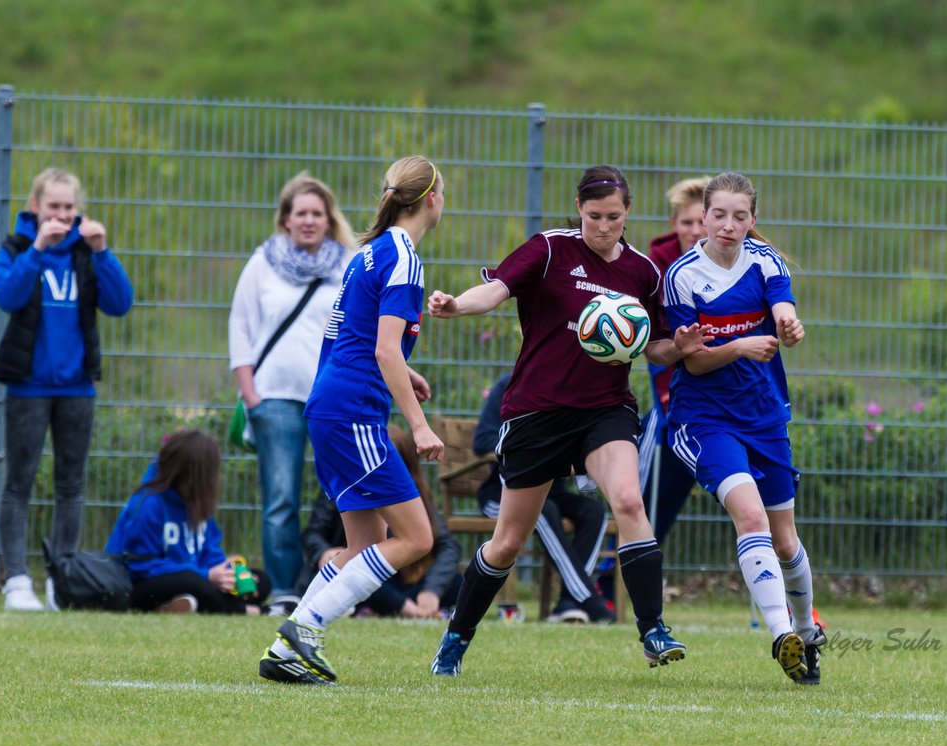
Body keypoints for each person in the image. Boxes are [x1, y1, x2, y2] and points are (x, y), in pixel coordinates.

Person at [426, 164, 709, 676]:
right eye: (594, 216)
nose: (603, 226)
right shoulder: (550, 248)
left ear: (628, 214)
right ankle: (456, 637)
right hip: (538, 412)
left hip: (605, 410)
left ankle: (652, 629)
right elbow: (495, 290)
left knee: (627, 498)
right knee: (508, 541)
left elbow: (658, 348)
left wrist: (680, 347)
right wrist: (456, 305)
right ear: (578, 209)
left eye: (614, 217)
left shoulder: (643, 272)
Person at [260, 155, 445, 686]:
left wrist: (400, 374)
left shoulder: (368, 253)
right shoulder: (404, 259)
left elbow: (349, 338)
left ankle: (286, 645)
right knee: (416, 538)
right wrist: (420, 425)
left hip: (332, 403)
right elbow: (385, 349)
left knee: (365, 545)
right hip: (353, 412)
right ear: (433, 199)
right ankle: (307, 626)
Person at [662, 171, 825, 684]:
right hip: (705, 419)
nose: (728, 225)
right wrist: (736, 346)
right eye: (718, 215)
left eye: (739, 216)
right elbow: (691, 363)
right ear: (703, 218)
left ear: (753, 220)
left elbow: (782, 310)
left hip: (764, 416)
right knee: (749, 515)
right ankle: (781, 635)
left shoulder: (765, 261)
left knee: (785, 540)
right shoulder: (682, 276)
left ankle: (805, 633)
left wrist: (789, 326)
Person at [0, 167, 134, 610]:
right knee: (19, 483)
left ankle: (62, 578)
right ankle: (16, 580)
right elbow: (6, 296)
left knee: (71, 485)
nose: (63, 215)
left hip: (77, 389)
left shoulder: (87, 252)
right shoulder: (17, 247)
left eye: (70, 207)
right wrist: (37, 249)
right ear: (36, 208)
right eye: (54, 207)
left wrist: (103, 251)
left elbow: (120, 303)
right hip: (28, 388)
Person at [229, 173, 355, 613]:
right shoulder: (262, 262)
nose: (308, 220)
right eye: (300, 212)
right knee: (280, 498)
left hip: (331, 399)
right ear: (285, 219)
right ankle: (284, 591)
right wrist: (250, 395)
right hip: (275, 398)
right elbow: (240, 325)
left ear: (328, 219)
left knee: (341, 495)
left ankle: (334, 587)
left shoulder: (346, 265)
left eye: (316, 213)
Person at [475, 373, 611, 623]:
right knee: (541, 510)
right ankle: (589, 599)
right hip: (500, 495)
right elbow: (482, 441)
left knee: (594, 511)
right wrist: (533, 452)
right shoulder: (507, 386)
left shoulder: (570, 392)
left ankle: (568, 603)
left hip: (553, 492)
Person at [299, 426, 460, 618]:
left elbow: (448, 546)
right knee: (358, 574)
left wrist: (432, 590)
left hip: (401, 583)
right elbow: (312, 533)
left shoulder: (416, 496)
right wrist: (324, 552)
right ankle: (403, 609)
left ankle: (405, 606)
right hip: (365, 579)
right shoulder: (345, 488)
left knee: (459, 583)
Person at [106, 430, 271, 614]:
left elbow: (209, 552)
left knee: (261, 580)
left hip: (194, 579)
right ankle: (252, 611)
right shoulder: (149, 504)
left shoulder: (198, 503)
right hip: (137, 586)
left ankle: (176, 606)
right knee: (191, 582)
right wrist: (206, 575)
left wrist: (226, 571)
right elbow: (140, 566)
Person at [640, 177, 710, 545]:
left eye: (702, 221)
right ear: (674, 225)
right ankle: (610, 578)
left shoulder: (732, 263)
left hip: (722, 389)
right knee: (650, 494)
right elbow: (651, 343)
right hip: (672, 395)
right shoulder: (656, 268)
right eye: (687, 223)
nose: (696, 231)